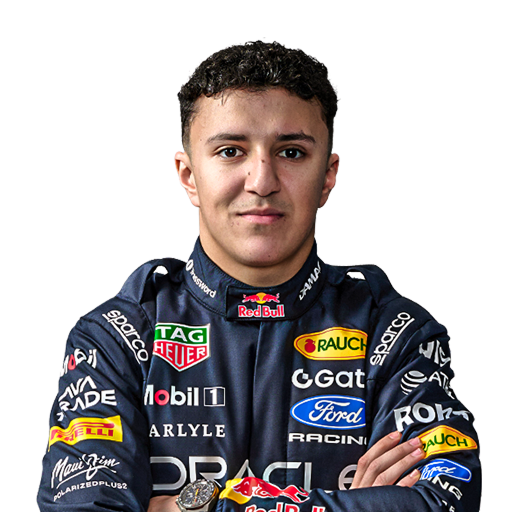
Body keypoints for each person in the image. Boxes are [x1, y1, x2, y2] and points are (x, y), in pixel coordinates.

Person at [36, 40, 482, 512]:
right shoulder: (114, 338)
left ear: (328, 176)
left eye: (291, 152)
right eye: (231, 151)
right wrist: (351, 506)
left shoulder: (396, 334)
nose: (262, 181)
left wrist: (187, 506)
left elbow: (444, 501)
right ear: (188, 176)